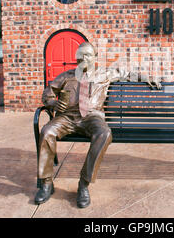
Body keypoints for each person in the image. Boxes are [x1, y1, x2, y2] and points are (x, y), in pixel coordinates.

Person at [35, 42, 161, 208]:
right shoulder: (66, 76)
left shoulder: (105, 73)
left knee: (104, 134)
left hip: (92, 117)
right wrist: (52, 104)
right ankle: (46, 183)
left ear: (95, 57)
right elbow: (48, 93)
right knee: (46, 131)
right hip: (67, 118)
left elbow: (127, 74)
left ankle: (84, 184)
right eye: (80, 54)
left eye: (87, 55)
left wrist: (146, 78)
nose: (82, 58)